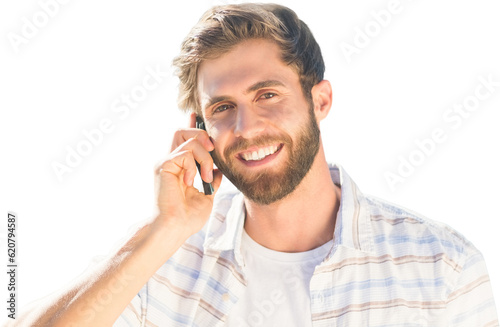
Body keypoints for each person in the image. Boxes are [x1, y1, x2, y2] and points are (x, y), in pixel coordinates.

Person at [12, 3, 498, 326]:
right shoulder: (167, 261)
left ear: (320, 99)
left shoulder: (444, 266)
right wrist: (167, 228)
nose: (246, 127)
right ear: (199, 128)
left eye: (267, 94)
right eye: (222, 107)